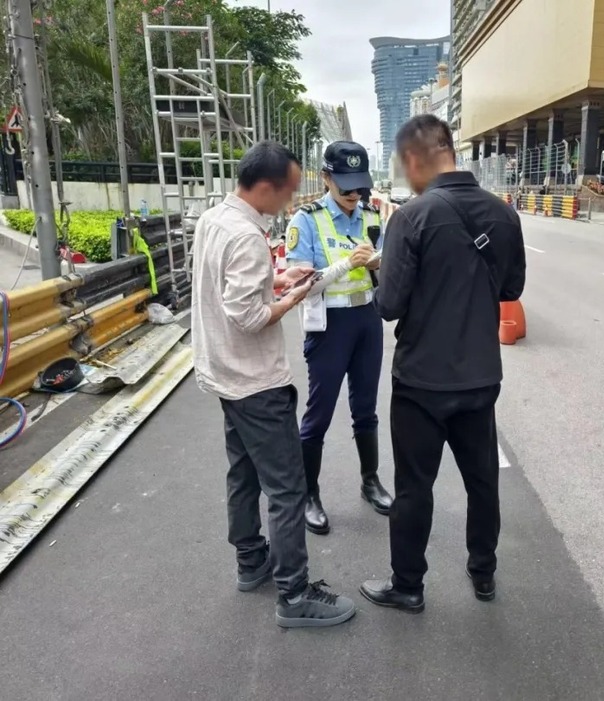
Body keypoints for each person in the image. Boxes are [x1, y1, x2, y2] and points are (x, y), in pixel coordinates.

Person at [359, 114, 526, 613]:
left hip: (421, 384)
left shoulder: (410, 218)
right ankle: (484, 574)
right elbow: (511, 290)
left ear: (413, 159)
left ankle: (408, 585)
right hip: (480, 378)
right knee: (482, 482)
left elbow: (389, 306)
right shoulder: (503, 215)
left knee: (415, 488)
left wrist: (381, 272)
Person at [191, 140, 355, 628]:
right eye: (286, 191)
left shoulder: (214, 220)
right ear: (265, 186)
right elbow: (247, 316)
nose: (290, 201)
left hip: (224, 376)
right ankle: (294, 593)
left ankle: (251, 560)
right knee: (287, 489)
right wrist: (292, 297)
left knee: (243, 474)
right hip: (256, 381)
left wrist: (278, 278)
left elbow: (229, 291)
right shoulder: (245, 236)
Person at [284, 141, 392, 536]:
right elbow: (299, 287)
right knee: (319, 413)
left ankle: (370, 481)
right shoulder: (306, 221)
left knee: (366, 407)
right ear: (325, 178)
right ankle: (309, 493)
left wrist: (379, 261)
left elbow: (385, 269)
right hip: (328, 326)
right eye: (345, 184)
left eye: (360, 185)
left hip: (366, 320)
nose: (353, 194)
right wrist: (347, 263)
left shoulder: (370, 215)